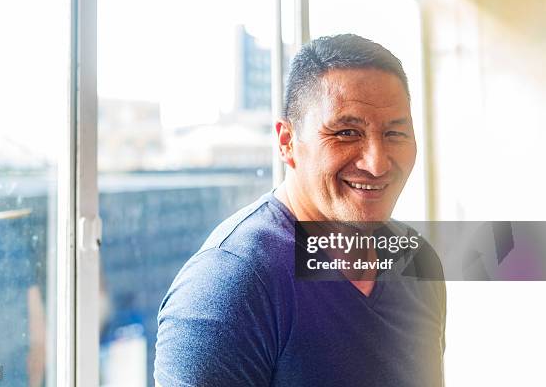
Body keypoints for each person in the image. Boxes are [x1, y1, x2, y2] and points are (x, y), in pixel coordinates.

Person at [154, 34, 446, 387]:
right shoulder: (230, 286)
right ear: (287, 143)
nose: (377, 163)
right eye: (347, 132)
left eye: (395, 134)